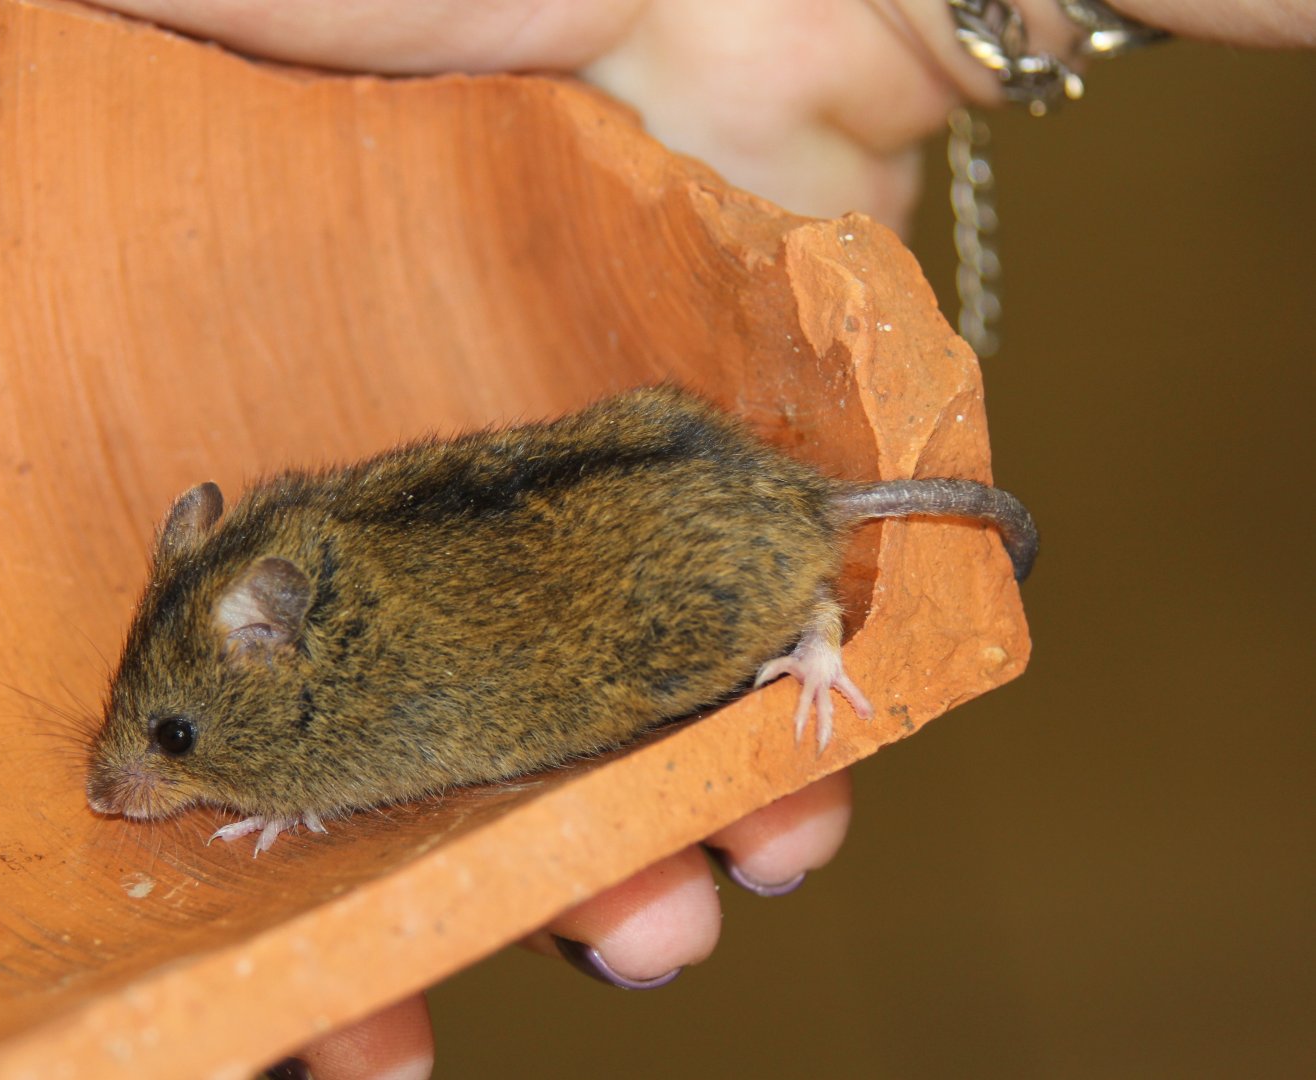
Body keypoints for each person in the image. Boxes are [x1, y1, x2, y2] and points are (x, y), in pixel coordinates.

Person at [82, 3, 1316, 1076]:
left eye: (171, 738)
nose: (130, 774)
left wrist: (283, 796)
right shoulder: (298, 565)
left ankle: (813, 621)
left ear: (276, 638)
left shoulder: (341, 693)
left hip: (683, 558)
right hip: (663, 470)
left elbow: (399, 755)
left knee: (662, 658)